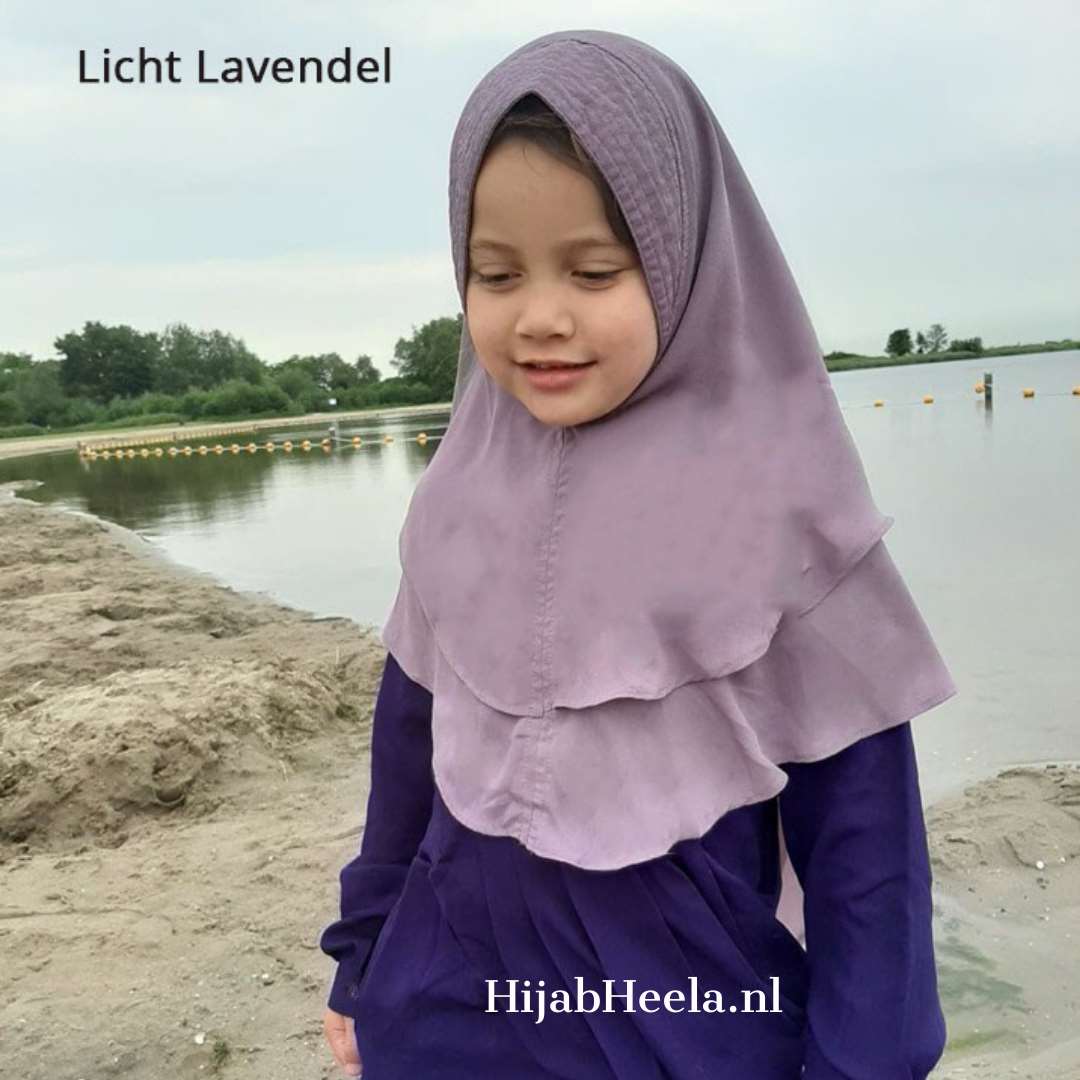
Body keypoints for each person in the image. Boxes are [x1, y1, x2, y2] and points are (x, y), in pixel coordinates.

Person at [319, 29, 957, 1079]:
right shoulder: (456, 498)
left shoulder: (785, 516)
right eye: (496, 274)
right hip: (444, 1007)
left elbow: (868, 856)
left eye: (594, 271)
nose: (542, 318)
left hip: (683, 1023)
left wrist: (861, 1065)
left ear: (683, 260)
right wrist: (363, 961)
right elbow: (408, 748)